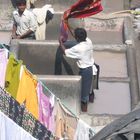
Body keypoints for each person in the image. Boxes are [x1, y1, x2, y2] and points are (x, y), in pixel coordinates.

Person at [59, 27, 95, 112]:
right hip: (92, 68)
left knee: (84, 96)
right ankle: (91, 109)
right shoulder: (88, 41)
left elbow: (65, 52)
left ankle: (84, 113)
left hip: (85, 71)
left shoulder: (79, 49)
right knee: (90, 91)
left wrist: (60, 42)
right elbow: (77, 37)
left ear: (77, 38)